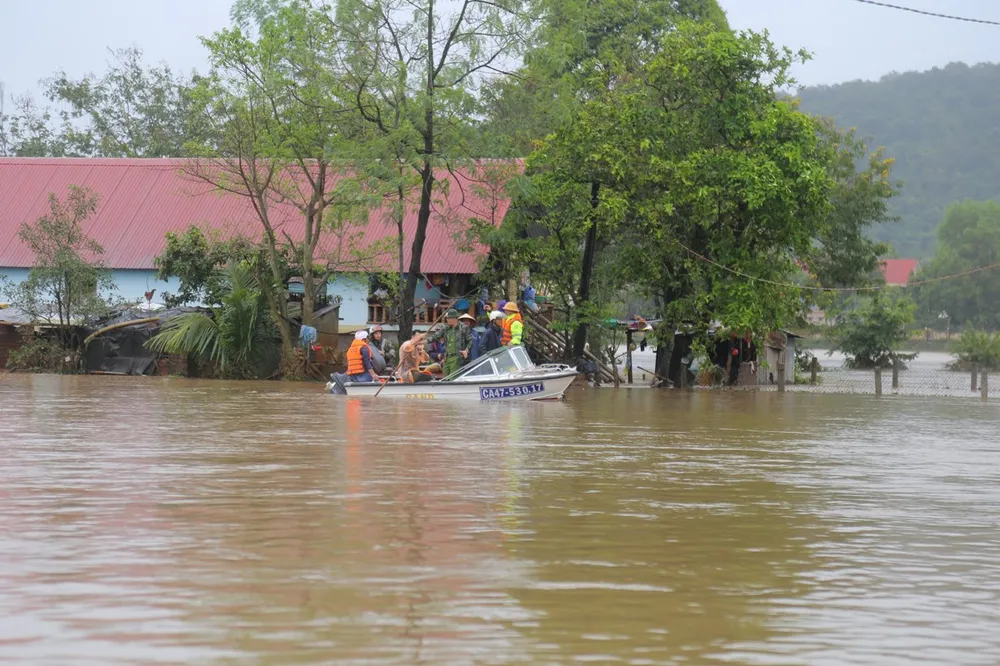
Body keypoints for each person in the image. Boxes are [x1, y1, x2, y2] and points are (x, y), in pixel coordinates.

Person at [428, 308, 472, 376]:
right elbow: (436, 336)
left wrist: (466, 350)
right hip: (447, 358)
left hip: (457, 357)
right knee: (445, 379)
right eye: (447, 318)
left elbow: (470, 341)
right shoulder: (446, 328)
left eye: (449, 318)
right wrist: (424, 340)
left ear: (455, 319)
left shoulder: (463, 328)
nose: (447, 320)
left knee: (453, 378)